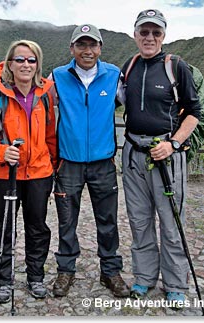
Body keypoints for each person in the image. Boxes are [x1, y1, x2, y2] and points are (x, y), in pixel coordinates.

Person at [119, 9, 201, 304]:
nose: (149, 37)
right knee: (139, 221)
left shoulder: (175, 66)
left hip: (166, 156)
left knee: (170, 220)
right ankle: (143, 278)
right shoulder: (128, 66)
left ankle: (176, 284)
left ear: (164, 36)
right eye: (144, 32)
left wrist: (174, 145)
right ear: (135, 34)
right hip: (133, 155)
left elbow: (194, 113)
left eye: (156, 32)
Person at [0, 39, 57, 303]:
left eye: (31, 60)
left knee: (37, 227)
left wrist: (51, 165)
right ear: (10, 63)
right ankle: (4, 279)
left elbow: (51, 136)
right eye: (20, 59)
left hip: (38, 175)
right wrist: (0, 153)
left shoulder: (44, 96)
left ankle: (35, 277)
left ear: (38, 64)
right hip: (3, 175)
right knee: (5, 227)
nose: (26, 65)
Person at [50, 24, 130, 298]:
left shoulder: (114, 76)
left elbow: (135, 105)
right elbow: (38, 107)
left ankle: (110, 271)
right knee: (66, 219)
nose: (87, 51)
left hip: (103, 162)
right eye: (81, 45)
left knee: (107, 219)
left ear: (100, 48)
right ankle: (66, 270)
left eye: (92, 45)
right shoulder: (57, 77)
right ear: (71, 48)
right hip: (68, 163)